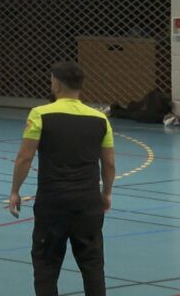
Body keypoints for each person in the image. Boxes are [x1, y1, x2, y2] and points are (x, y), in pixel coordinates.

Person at [10, 62, 116, 296]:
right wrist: (106, 193)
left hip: (53, 203)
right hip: (88, 204)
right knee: (92, 265)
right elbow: (108, 163)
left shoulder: (40, 114)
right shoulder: (100, 119)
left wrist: (15, 190)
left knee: (46, 266)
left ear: (56, 83)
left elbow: (24, 158)